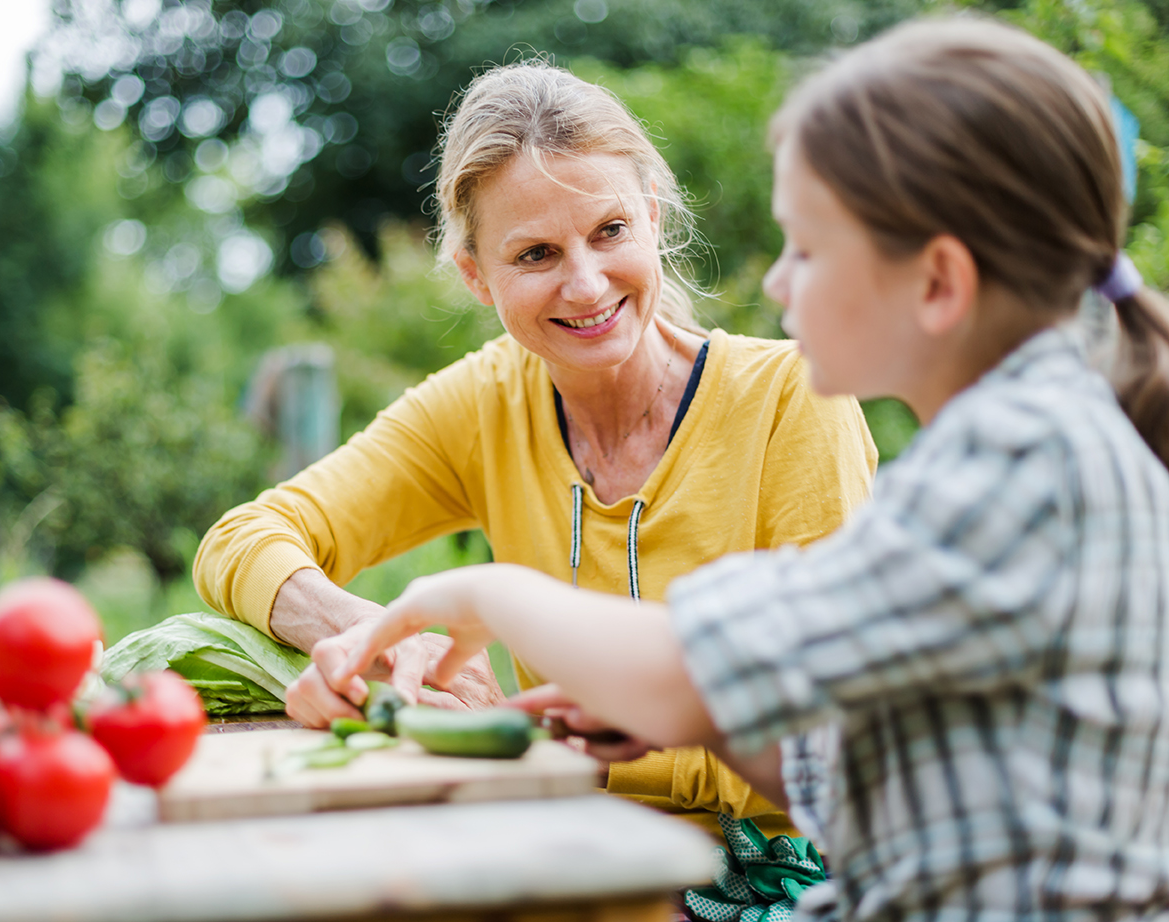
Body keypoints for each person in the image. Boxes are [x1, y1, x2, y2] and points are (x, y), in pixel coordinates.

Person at [332, 16, 1169, 922]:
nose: (777, 285)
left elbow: (691, 667)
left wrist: (490, 597)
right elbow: (851, 745)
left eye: (808, 249)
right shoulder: (1019, 439)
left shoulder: (1016, 466)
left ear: (937, 283)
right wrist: (688, 723)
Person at [193, 60, 877, 844]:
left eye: (609, 231)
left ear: (652, 218)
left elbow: (829, 743)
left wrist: (550, 752)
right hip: (558, 848)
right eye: (536, 255)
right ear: (476, 276)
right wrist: (370, 639)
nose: (586, 286)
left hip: (772, 874)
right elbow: (239, 540)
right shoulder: (486, 402)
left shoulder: (792, 398)